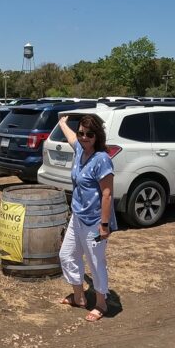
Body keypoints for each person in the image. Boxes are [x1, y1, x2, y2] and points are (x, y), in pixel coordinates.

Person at [56, 113, 115, 322]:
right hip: (77, 216)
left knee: (95, 262)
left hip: (94, 220)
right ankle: (79, 296)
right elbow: (72, 138)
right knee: (67, 255)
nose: (83, 137)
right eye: (82, 133)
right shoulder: (81, 149)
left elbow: (107, 194)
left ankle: (101, 303)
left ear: (97, 135)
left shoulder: (102, 160)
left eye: (89, 134)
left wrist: (104, 225)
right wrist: (62, 122)